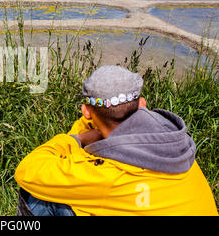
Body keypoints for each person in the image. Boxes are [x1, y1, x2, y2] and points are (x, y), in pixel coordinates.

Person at [15, 65, 218, 216]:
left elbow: (27, 170)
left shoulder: (108, 177)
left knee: (39, 197)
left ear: (86, 111)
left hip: (107, 179)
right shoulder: (173, 144)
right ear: (142, 104)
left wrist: (76, 139)